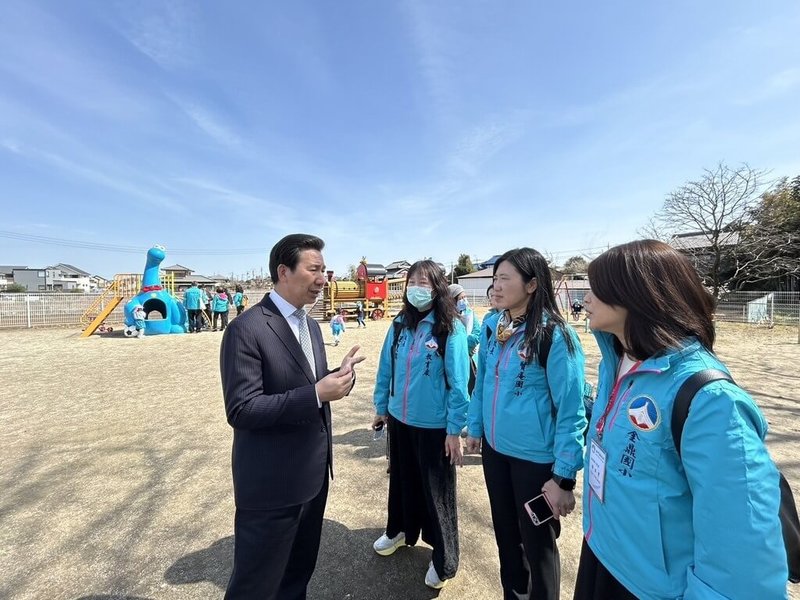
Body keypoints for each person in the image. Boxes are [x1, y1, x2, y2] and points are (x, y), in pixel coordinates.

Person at [574, 240, 787, 600]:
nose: (586, 299)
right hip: (603, 551)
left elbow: (743, 550)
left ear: (634, 294)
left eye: (597, 288)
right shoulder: (619, 360)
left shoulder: (710, 400)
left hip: (653, 587)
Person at [220, 233, 365, 600]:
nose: (323, 279)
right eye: (314, 270)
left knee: (297, 576)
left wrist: (338, 377)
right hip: (272, 487)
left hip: (313, 478)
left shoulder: (310, 325)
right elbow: (243, 409)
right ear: (283, 272)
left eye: (324, 271)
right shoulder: (246, 329)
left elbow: (303, 380)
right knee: (256, 585)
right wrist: (317, 393)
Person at [465, 247, 586, 600]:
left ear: (532, 284)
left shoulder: (555, 336)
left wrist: (563, 476)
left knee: (538, 544)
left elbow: (571, 409)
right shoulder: (493, 326)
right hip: (495, 452)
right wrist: (476, 428)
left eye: (505, 279)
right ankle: (514, 593)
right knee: (505, 535)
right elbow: (482, 383)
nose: (495, 287)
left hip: (535, 461)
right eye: (494, 279)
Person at [371, 260, 470, 590]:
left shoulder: (449, 329)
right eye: (412, 280)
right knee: (401, 480)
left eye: (424, 281)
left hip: (434, 427)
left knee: (436, 493)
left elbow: (459, 383)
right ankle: (399, 530)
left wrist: (454, 429)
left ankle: (443, 560)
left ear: (438, 287)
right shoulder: (399, 324)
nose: (416, 287)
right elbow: (387, 367)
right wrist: (382, 407)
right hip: (400, 419)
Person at [448, 283, 481, 395]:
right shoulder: (447, 317)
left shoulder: (470, 314)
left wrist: (466, 345)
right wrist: (462, 346)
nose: (464, 300)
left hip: (470, 357)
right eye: (461, 298)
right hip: (456, 358)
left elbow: (477, 332)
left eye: (465, 297)